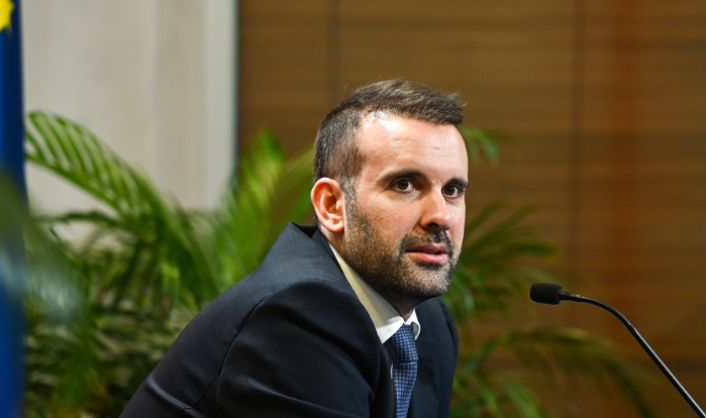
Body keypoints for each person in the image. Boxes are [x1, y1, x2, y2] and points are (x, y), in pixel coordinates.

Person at [120, 79, 469, 418]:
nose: (441, 216)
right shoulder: (296, 316)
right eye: (404, 184)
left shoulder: (430, 323)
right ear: (332, 206)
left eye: (452, 190)